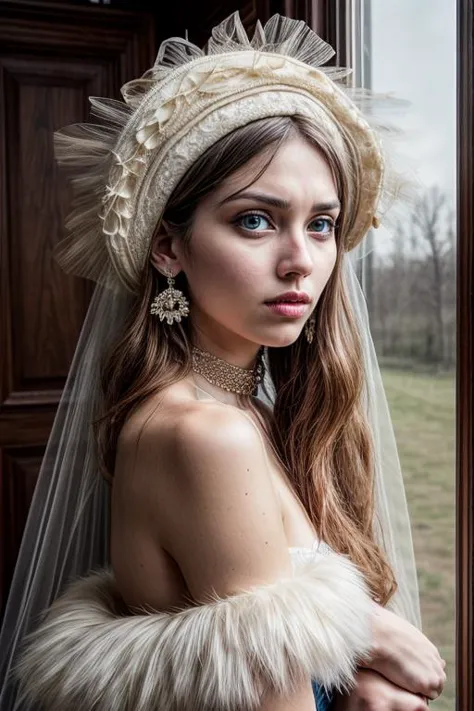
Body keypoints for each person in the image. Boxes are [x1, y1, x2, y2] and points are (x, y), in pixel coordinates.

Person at [0, 12, 446, 711]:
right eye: (255, 219)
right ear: (167, 248)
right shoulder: (208, 435)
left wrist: (354, 668)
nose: (302, 259)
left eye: (321, 223)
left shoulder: (243, 408)